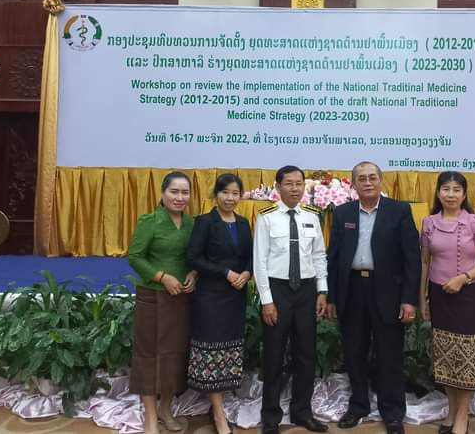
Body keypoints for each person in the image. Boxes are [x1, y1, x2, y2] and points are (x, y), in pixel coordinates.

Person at [326, 161, 420, 434]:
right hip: (352, 290)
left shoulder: (399, 211)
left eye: (372, 178)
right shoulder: (343, 213)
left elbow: (412, 258)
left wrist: (409, 299)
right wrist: (332, 297)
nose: (367, 183)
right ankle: (358, 406)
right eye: (362, 179)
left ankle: (393, 413)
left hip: (388, 292)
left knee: (389, 354)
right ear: (353, 184)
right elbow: (334, 258)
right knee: (354, 352)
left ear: (380, 181)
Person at [253, 165, 329, 434]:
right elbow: (260, 262)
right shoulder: (266, 217)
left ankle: (302, 412)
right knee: (274, 355)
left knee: (306, 354)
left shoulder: (312, 216)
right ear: (277, 187)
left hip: (306, 291)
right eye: (289, 183)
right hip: (278, 291)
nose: (295, 189)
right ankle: (271, 417)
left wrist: (322, 290)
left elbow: (319, 255)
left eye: (299, 183)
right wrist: (266, 300)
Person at [419, 171, 475, 434]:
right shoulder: (429, 223)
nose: (451, 195)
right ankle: (451, 411)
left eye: (456, 190)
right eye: (446, 189)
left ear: (464, 195)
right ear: (438, 193)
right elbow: (425, 263)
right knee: (447, 355)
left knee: (466, 356)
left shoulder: (474, 221)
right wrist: (422, 297)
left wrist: (464, 278)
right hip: (439, 296)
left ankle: (463, 415)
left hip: (466, 295)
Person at [128, 171, 198, 434]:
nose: (180, 197)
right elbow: (135, 257)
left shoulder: (192, 224)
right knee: (149, 356)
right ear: (162, 193)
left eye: (185, 192)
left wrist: (194, 274)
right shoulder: (150, 221)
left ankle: (166, 410)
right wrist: (161, 277)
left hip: (182, 299)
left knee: (174, 356)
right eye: (174, 191)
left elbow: (196, 257)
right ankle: (150, 417)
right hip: (153, 297)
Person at [186, 173, 253, 434]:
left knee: (228, 351)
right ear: (216, 194)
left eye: (235, 193)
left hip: (236, 296)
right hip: (211, 297)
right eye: (225, 192)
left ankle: (220, 405)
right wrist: (225, 272)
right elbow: (194, 258)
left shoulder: (244, 223)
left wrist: (247, 273)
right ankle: (217, 413)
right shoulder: (205, 222)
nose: (230, 198)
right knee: (212, 352)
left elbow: (251, 255)